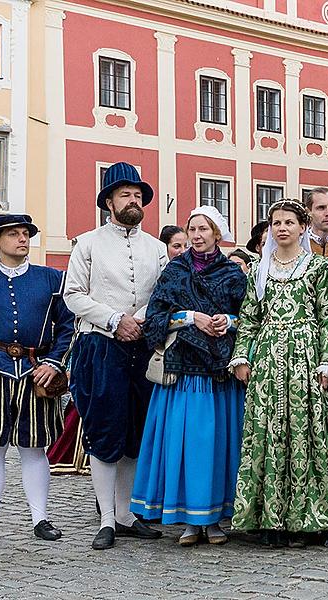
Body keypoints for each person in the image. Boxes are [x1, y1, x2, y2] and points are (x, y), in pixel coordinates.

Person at [64, 162, 167, 550]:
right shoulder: (87, 243)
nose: (133, 200)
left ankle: (126, 514)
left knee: (135, 432)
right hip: (100, 346)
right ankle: (106, 517)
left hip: (141, 347)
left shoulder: (156, 248)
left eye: (138, 195)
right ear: (108, 201)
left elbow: (162, 294)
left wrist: (136, 320)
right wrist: (113, 319)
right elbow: (73, 296)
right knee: (105, 430)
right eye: (125, 194)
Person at [0, 214, 74, 545]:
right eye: (13, 234)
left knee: (34, 449)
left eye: (25, 234)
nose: (22, 239)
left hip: (37, 372)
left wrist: (53, 362)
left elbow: (67, 326)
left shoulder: (52, 279)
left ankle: (40, 518)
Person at [132, 206, 246, 547]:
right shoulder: (174, 272)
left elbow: (251, 316)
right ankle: (188, 521)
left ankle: (214, 520)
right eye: (192, 229)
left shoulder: (233, 274)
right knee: (184, 446)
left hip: (218, 372)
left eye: (203, 229)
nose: (196, 235)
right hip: (182, 370)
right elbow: (155, 317)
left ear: (216, 233)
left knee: (216, 446)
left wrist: (228, 321)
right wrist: (190, 317)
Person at [230, 199, 328, 547]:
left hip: (305, 356)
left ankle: (305, 519)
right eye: (276, 223)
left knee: (304, 434)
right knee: (267, 434)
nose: (283, 228)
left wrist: (326, 361)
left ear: (303, 227)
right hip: (269, 358)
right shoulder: (260, 268)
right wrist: (242, 356)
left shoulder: (317, 268)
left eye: (289, 222)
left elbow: (326, 319)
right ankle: (268, 518)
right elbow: (249, 317)